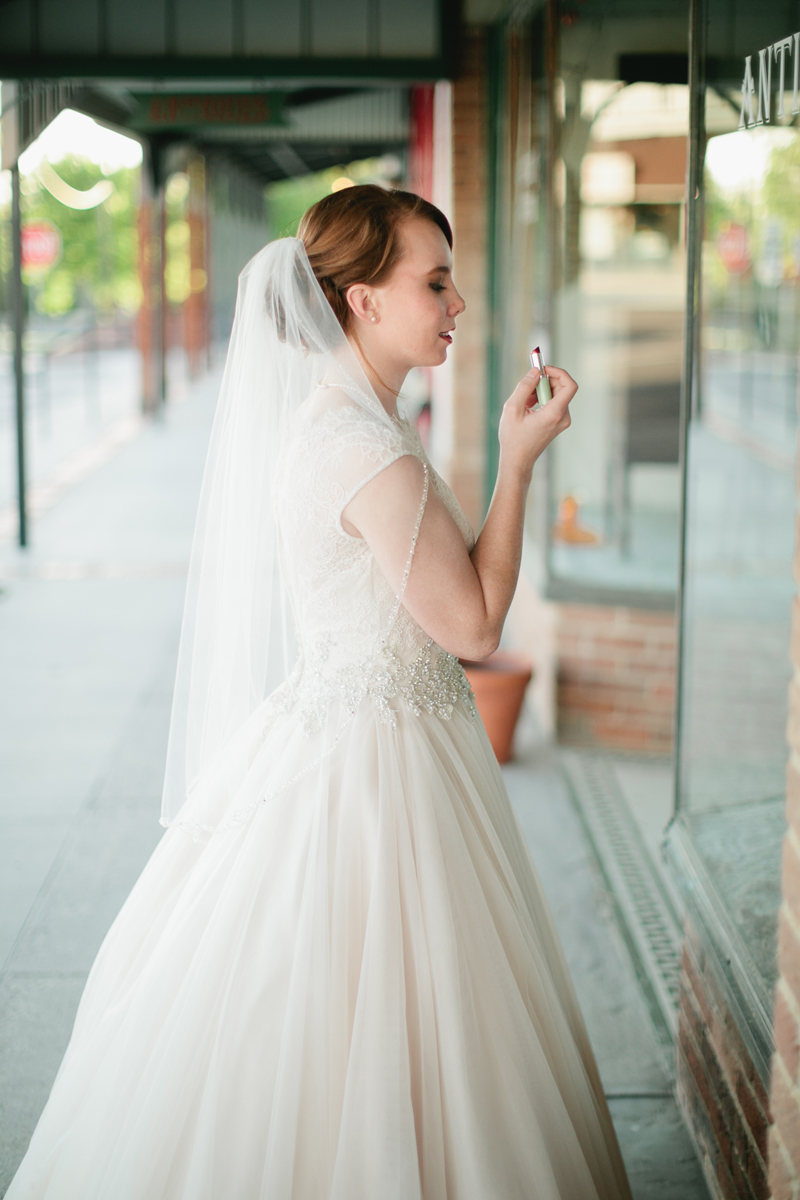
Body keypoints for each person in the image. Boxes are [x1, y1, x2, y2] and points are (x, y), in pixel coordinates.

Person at [7, 186, 633, 1199]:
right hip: (376, 768)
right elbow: (472, 626)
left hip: (359, 729)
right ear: (359, 301)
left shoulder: (353, 419)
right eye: (433, 283)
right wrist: (516, 466)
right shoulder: (361, 449)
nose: (456, 304)